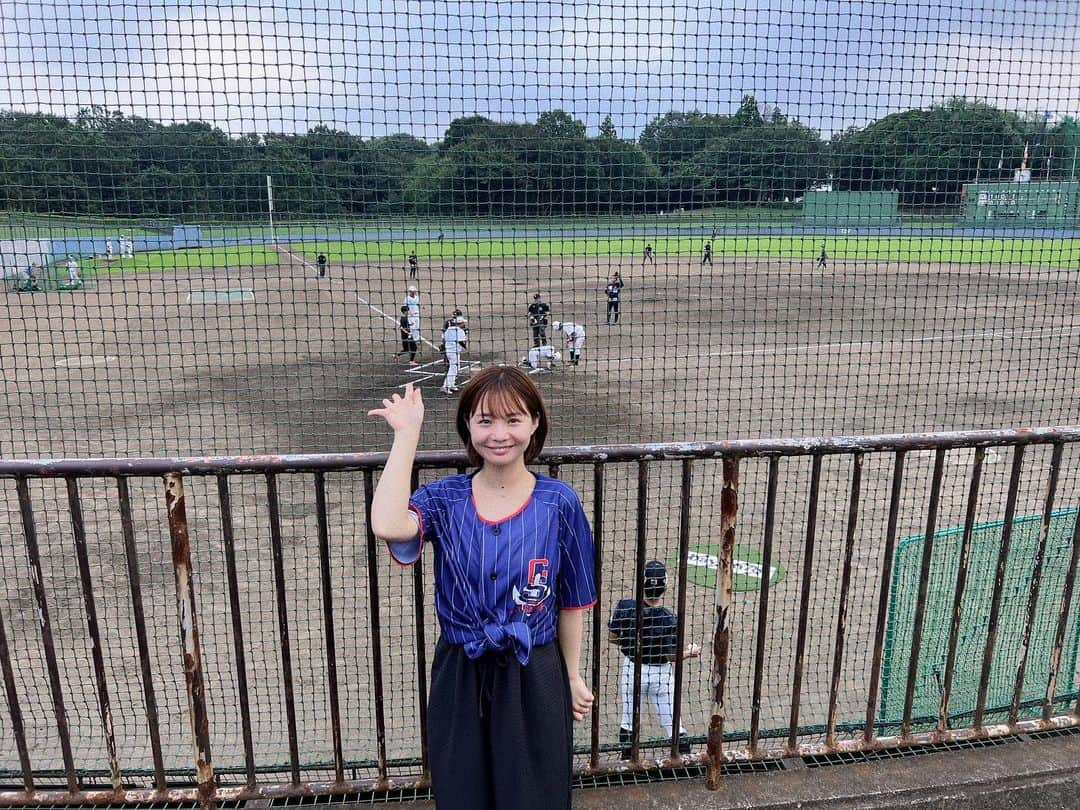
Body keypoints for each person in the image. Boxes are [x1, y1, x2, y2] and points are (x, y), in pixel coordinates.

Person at [367, 367, 596, 810]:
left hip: (534, 669)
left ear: (534, 424)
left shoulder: (559, 502)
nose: (499, 434)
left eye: (513, 420)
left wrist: (570, 674)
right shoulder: (446, 498)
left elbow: (573, 600)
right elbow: (388, 524)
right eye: (485, 420)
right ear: (468, 427)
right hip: (460, 668)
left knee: (535, 793)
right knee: (461, 791)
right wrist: (407, 435)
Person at [608, 560, 701, 760]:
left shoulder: (626, 607)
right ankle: (683, 762)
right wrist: (690, 652)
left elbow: (612, 637)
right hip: (661, 676)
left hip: (633, 672)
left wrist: (634, 641)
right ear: (664, 587)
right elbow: (672, 655)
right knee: (673, 723)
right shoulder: (669, 618)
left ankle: (627, 764)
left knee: (628, 720)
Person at [441, 316, 468, 393]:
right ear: (460, 323)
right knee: (453, 369)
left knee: (456, 368)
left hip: (449, 351)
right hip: (454, 352)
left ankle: (452, 385)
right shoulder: (460, 331)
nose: (464, 324)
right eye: (463, 323)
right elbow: (461, 341)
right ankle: (446, 386)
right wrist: (465, 347)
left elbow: (444, 338)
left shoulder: (448, 329)